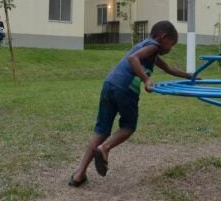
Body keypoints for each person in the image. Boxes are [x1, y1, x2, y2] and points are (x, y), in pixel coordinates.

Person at [69, 21, 193, 187]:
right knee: (128, 127)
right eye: (171, 44)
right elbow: (133, 59)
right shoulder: (154, 46)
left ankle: (79, 174)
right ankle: (105, 148)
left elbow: (169, 69)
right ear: (163, 37)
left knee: (101, 131)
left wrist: (190, 76)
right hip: (125, 88)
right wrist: (146, 79)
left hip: (109, 84)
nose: (170, 49)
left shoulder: (148, 48)